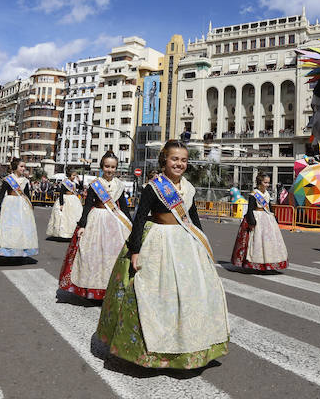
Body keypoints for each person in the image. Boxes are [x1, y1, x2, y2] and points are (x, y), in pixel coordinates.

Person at [96, 140, 229, 369]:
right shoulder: (153, 187)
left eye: (184, 160)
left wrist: (203, 244)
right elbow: (139, 218)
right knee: (155, 295)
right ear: (164, 161)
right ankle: (151, 350)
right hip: (159, 241)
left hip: (185, 244)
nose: (179, 164)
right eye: (174, 159)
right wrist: (135, 250)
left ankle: (191, 346)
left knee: (191, 295)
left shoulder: (188, 188)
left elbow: (193, 219)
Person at [59, 152, 130, 300]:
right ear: (102, 167)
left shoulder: (119, 185)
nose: (110, 170)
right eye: (107, 166)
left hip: (114, 222)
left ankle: (110, 289)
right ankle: (92, 290)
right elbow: (88, 205)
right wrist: (83, 225)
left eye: (113, 167)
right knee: (92, 256)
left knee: (113, 255)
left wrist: (131, 225)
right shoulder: (95, 185)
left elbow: (123, 206)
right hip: (96, 219)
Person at [0, 157, 38, 258]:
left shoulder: (25, 181)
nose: (23, 168)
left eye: (24, 167)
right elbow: (1, 195)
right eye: (21, 166)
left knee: (21, 228)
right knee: (9, 228)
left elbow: (27, 195)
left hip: (22, 206)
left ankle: (21, 250)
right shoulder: (8, 179)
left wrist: (31, 206)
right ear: (15, 167)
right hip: (10, 204)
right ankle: (7, 250)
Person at [230, 173, 289, 271]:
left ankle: (269, 262)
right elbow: (250, 209)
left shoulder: (267, 194)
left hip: (267, 219)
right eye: (265, 182)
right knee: (256, 241)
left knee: (270, 242)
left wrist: (274, 216)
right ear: (259, 182)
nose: (267, 185)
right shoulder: (254, 194)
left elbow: (269, 207)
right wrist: (252, 221)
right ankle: (256, 263)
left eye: (268, 183)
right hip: (257, 218)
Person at [46, 167, 83, 239]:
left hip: (74, 200)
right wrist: (61, 204)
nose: (74, 177)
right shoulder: (65, 183)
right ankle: (63, 233)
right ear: (69, 175)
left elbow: (81, 187)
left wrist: (80, 181)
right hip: (66, 199)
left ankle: (72, 233)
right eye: (73, 175)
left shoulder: (74, 183)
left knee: (73, 217)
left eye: (75, 175)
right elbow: (61, 194)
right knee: (64, 217)